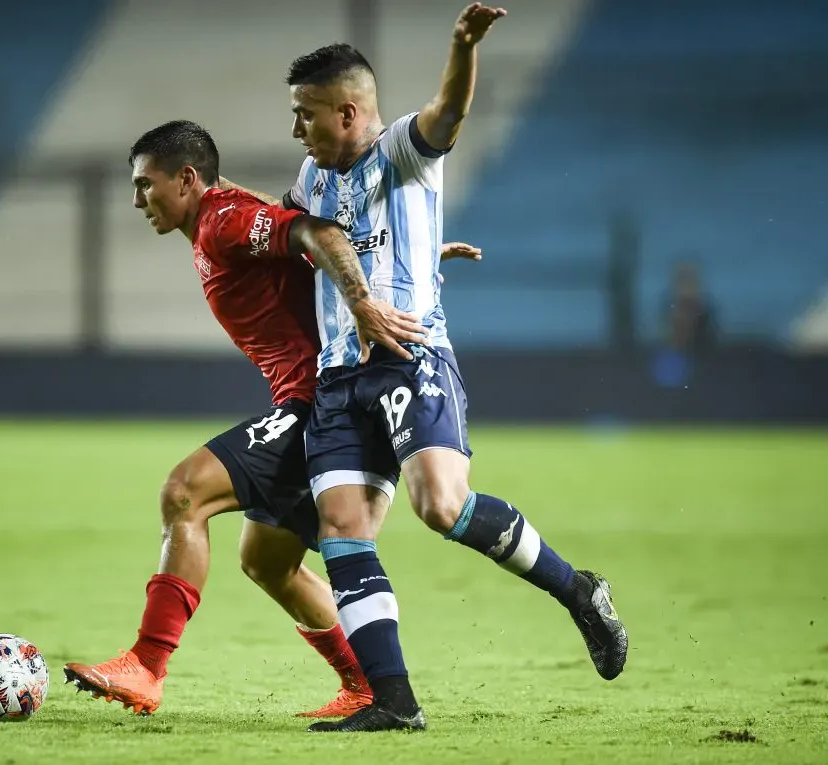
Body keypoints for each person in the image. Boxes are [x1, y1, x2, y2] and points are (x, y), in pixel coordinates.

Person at [228, 4, 628, 732]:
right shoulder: (311, 181)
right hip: (339, 380)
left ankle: (578, 591)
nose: (298, 131)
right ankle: (394, 699)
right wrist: (413, 255)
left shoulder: (402, 154)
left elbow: (447, 113)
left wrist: (463, 45)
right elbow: (322, 247)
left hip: (410, 359)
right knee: (342, 523)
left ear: (349, 112)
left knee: (441, 505)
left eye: (306, 116)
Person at [62, 120, 476, 718]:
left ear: (185, 179)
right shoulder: (228, 217)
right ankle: (367, 683)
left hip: (316, 403)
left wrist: (363, 298)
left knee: (184, 493)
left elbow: (316, 230)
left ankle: (147, 665)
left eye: (144, 184)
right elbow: (307, 247)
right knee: (266, 560)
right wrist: (403, 257)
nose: (137, 200)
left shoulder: (222, 220)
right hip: (322, 400)